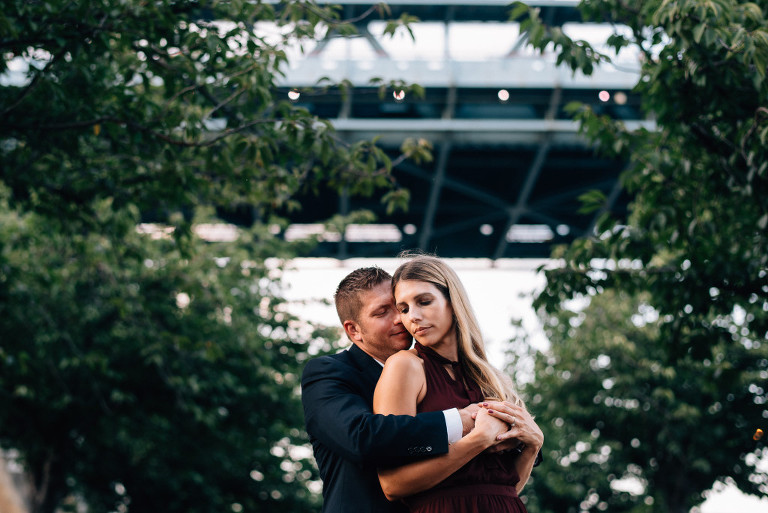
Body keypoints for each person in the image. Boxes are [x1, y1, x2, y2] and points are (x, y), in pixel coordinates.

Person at [301, 267, 524, 513]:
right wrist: (462, 421)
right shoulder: (328, 372)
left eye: (399, 307)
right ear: (354, 330)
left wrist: (531, 442)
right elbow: (361, 438)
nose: (402, 318)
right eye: (382, 312)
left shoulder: (450, 370)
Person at [373, 254, 544, 512]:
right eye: (404, 308)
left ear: (453, 301)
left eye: (424, 301)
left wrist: (533, 445)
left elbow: (505, 487)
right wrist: (479, 439)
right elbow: (392, 485)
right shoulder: (405, 366)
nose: (412, 317)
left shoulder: (491, 378)